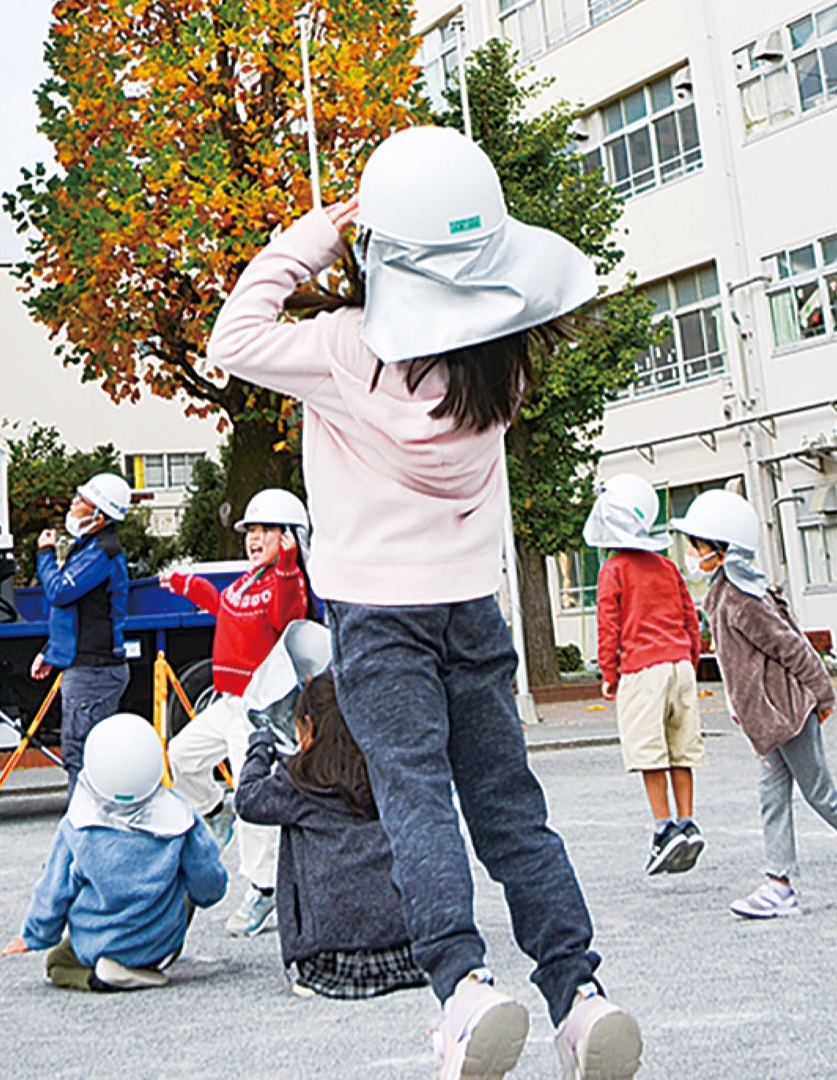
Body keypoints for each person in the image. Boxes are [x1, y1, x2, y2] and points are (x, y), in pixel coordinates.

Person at [209, 126, 643, 1080]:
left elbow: (231, 336)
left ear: (383, 256)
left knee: (415, 798)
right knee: (509, 807)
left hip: (377, 614)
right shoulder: (505, 360)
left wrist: (313, 239)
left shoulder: (343, 353)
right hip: (469, 607)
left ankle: (463, 988)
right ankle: (579, 995)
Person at [673, 488, 837, 920]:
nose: (691, 553)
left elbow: (792, 647)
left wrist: (823, 693)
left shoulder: (742, 598)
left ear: (724, 550)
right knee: (772, 797)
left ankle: (779, 884)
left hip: (787, 715)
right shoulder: (724, 590)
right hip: (767, 720)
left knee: (821, 793)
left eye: (698, 545)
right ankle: (779, 885)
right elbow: (739, 664)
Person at [161, 487, 310, 936]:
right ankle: (213, 809)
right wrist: (192, 587)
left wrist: (286, 565)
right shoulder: (247, 581)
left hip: (259, 709)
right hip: (227, 703)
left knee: (254, 798)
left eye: (265, 530)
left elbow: (289, 618)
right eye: (250, 530)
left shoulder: (288, 581)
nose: (253, 537)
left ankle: (264, 889)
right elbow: (225, 609)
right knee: (181, 757)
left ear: (289, 537)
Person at [236, 668, 430, 1000]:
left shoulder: (297, 780)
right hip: (405, 952)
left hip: (329, 962)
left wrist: (259, 750)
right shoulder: (383, 769)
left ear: (308, 728)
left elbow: (248, 800)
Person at [1, 712, 227, 989]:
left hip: (95, 942)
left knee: (57, 962)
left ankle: (98, 978)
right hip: (160, 942)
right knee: (184, 880)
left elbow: (54, 890)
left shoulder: (78, 824)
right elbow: (209, 883)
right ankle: (148, 964)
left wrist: (34, 936)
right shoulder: (181, 817)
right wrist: (202, 896)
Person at [586, 473, 705, 874]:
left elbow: (609, 626)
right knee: (681, 749)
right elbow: (691, 618)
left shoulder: (614, 569)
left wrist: (609, 673)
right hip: (680, 666)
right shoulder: (667, 565)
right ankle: (688, 823)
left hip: (643, 668)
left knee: (648, 752)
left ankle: (663, 830)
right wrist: (691, 656)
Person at [34, 472, 132, 795]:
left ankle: (86, 828)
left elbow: (60, 592)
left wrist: (45, 555)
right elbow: (74, 614)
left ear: (99, 516)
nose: (72, 505)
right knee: (82, 754)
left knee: (83, 756)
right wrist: (52, 653)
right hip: (86, 667)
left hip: (94, 671)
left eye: (81, 501)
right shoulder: (88, 548)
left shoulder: (101, 552)